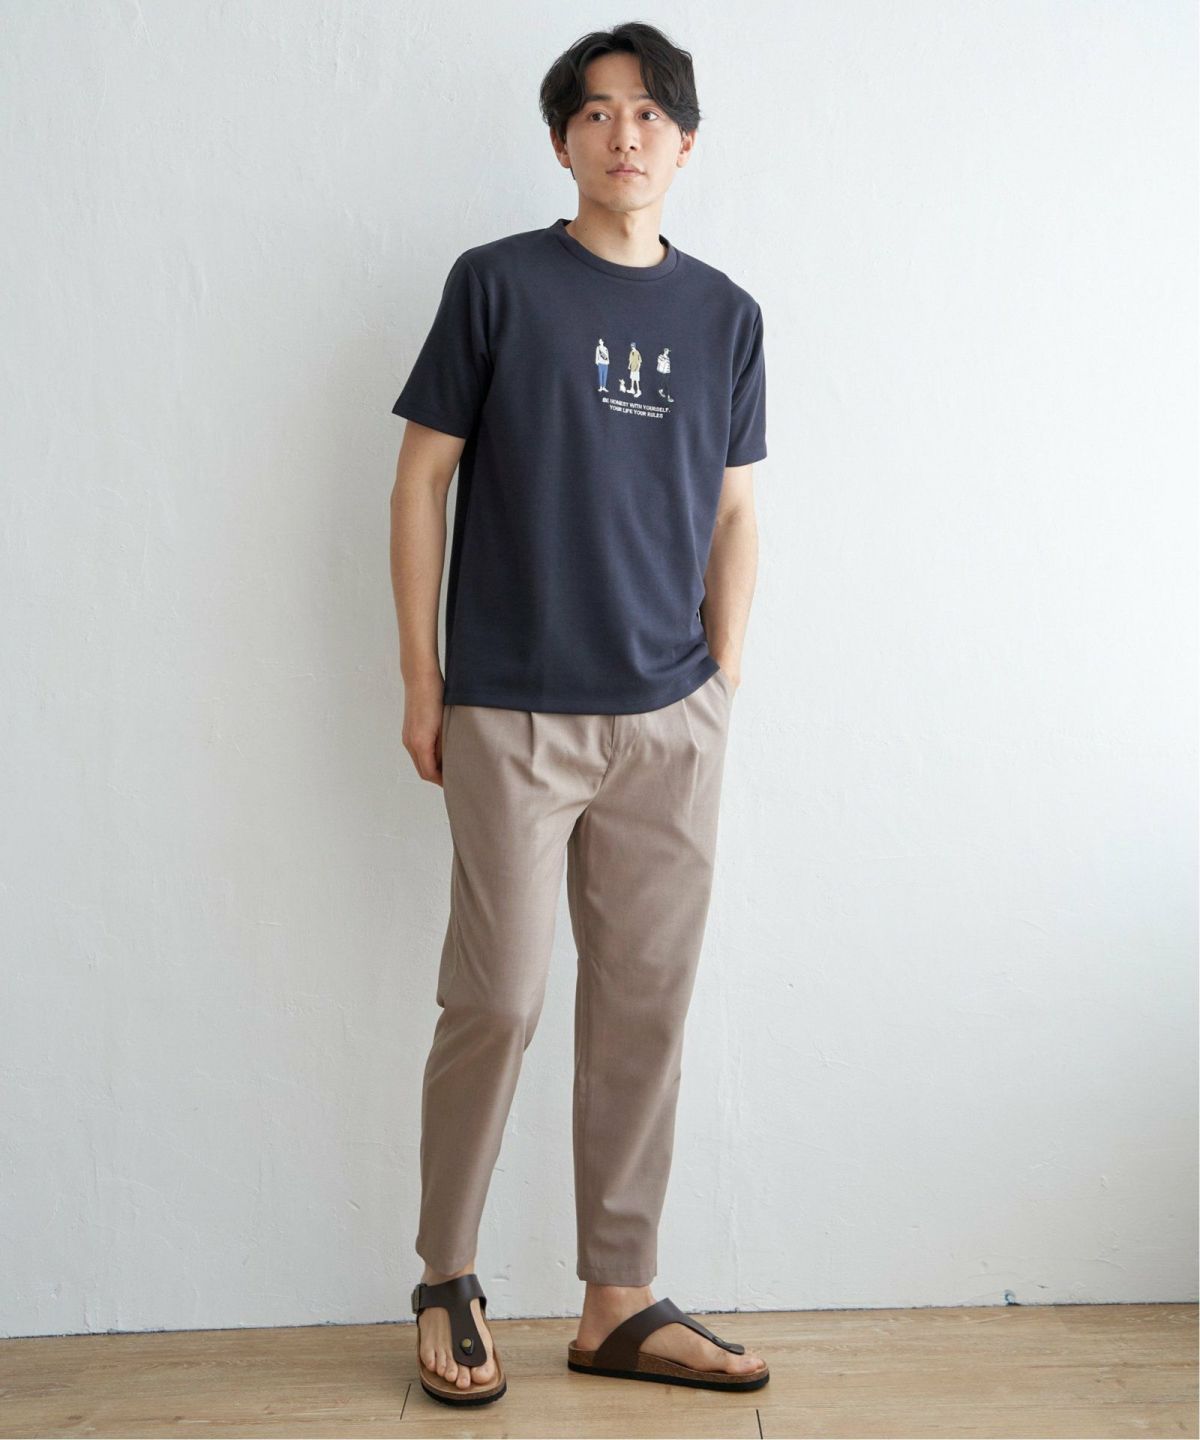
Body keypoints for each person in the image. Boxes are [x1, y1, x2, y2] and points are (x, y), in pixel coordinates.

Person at [389, 20, 769, 1407]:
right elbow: (421, 480)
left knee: (644, 1007)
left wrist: (720, 677)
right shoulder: (497, 285)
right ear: (563, 141)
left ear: (686, 143)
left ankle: (618, 1299)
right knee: (498, 997)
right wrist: (424, 681)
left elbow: (735, 509)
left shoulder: (726, 316)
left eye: (651, 112)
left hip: (670, 718)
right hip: (514, 710)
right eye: (598, 112)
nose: (626, 133)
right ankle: (446, 1275)